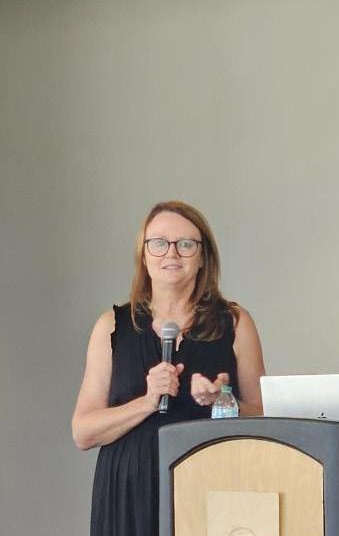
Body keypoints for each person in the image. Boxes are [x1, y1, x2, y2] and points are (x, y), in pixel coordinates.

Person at [71, 201, 265, 536]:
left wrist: (223, 402)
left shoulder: (235, 323)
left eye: (186, 244)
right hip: (128, 496)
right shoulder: (112, 326)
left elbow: (266, 414)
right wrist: (147, 402)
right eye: (159, 243)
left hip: (211, 488)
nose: (171, 253)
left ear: (203, 257)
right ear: (143, 255)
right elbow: (83, 432)